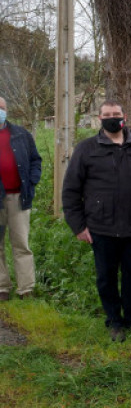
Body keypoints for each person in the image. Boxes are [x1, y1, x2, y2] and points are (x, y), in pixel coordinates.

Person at [62, 100, 131, 342]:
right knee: (105, 278)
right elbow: (70, 190)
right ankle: (114, 322)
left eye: (116, 114)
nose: (112, 118)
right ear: (99, 119)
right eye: (107, 114)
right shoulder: (87, 149)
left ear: (125, 116)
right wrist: (78, 226)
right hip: (101, 228)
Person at [0, 96, 42, 302]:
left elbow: (36, 159)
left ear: (7, 109)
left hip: (19, 197)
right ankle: (2, 288)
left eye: (1, 107)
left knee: (21, 244)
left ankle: (26, 289)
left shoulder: (21, 134)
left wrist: (32, 180)